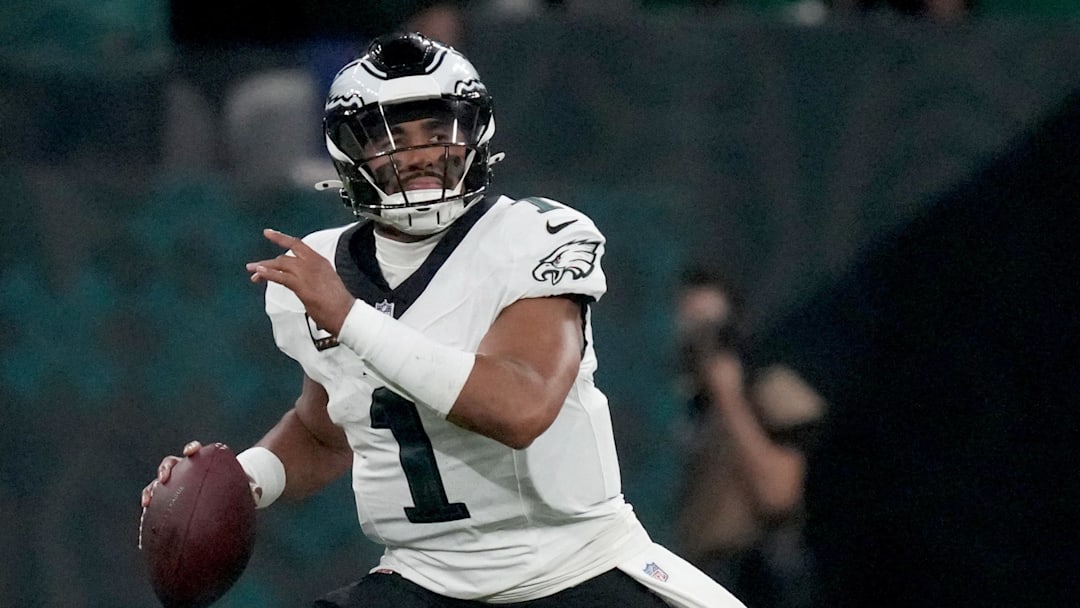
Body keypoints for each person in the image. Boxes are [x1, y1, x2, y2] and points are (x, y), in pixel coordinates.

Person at [142, 32, 745, 608]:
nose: (419, 154)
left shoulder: (533, 236)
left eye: (438, 130)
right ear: (350, 155)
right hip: (422, 579)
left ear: (475, 135)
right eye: (390, 137)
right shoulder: (322, 266)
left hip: (569, 569)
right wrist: (237, 482)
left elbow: (521, 407)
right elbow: (328, 429)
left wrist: (352, 318)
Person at [672, 268, 823, 608]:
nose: (700, 344)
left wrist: (730, 400)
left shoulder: (771, 393)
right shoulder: (667, 403)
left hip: (743, 576)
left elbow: (779, 494)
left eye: (711, 331)